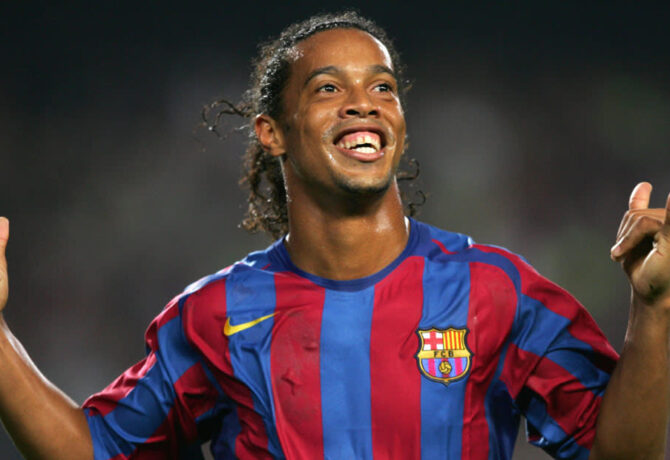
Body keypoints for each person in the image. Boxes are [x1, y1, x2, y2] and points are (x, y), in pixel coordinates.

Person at [1, 11, 669, 460]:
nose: (363, 102)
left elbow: (619, 452)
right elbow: (93, 449)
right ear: (272, 132)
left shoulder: (496, 289)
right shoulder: (215, 314)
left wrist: (656, 309)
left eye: (383, 87)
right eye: (327, 88)